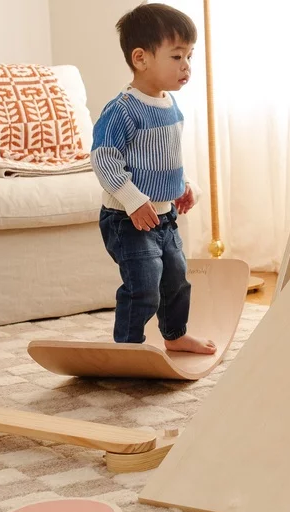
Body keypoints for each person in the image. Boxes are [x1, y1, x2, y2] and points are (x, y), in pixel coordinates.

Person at [90, 3, 215, 354]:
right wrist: (132, 199)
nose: (187, 66)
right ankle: (127, 348)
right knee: (143, 287)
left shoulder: (170, 104)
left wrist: (185, 185)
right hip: (127, 219)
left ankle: (174, 336)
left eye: (190, 56)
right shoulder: (124, 109)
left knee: (176, 280)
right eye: (177, 56)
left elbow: (167, 156)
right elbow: (104, 158)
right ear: (141, 59)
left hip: (164, 217)